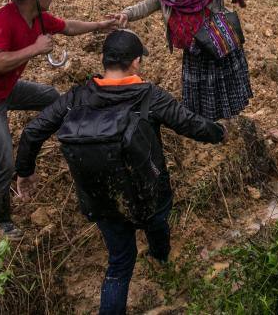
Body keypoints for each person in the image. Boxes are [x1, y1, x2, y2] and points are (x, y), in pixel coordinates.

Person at [15, 29, 225, 315]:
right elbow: (191, 125)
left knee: (120, 262)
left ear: (104, 61)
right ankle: (160, 258)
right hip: (149, 193)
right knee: (157, 223)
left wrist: (25, 171)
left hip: (100, 197)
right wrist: (221, 133)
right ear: (136, 62)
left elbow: (32, 131)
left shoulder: (76, 97)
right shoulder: (150, 96)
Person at [0, 0, 117, 240]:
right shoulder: (2, 20)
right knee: (4, 162)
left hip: (5, 90)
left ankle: (66, 146)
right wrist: (34, 48)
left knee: (52, 99)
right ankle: (2, 217)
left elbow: (68, 27)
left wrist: (100, 25)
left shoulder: (38, 18)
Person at [111, 0, 252, 120]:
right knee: (202, 90)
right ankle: (204, 124)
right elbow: (143, 7)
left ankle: (230, 120)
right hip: (194, 50)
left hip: (216, 43)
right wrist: (125, 14)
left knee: (222, 83)